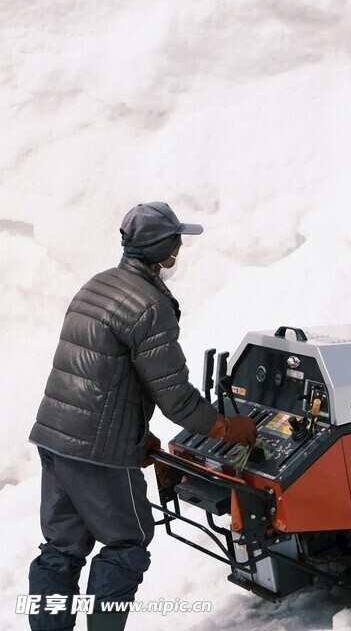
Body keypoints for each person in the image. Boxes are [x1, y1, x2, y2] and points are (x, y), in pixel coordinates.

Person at [27, 202, 257, 631]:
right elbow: (175, 396)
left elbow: (104, 374)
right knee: (127, 543)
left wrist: (138, 434)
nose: (180, 251)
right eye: (177, 242)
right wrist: (227, 428)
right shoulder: (150, 306)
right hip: (98, 451)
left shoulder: (98, 284)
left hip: (55, 437)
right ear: (164, 248)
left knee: (62, 547)